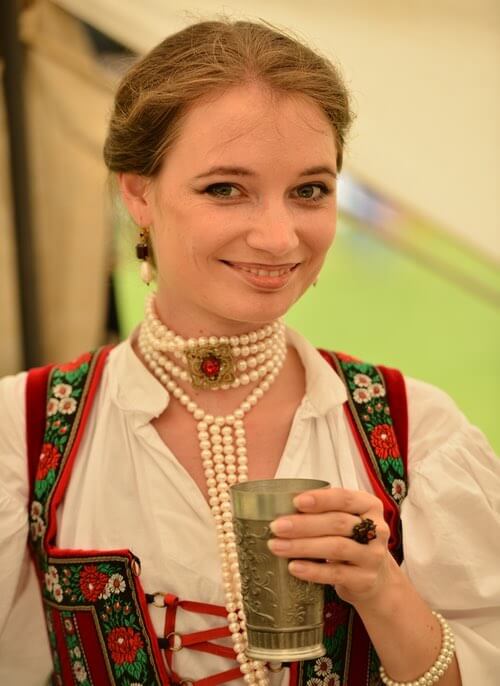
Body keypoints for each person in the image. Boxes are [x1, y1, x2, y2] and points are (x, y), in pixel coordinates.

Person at [0, 19, 499, 686]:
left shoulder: (414, 430)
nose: (277, 235)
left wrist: (383, 589)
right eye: (225, 188)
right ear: (139, 193)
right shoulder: (23, 432)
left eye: (310, 190)